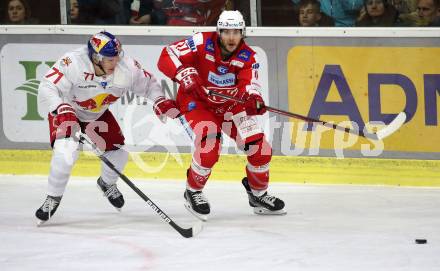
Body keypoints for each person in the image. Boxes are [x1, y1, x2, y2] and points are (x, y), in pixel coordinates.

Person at [35, 31, 179, 224]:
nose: (116, 62)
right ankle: (53, 197)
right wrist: (61, 107)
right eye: (110, 60)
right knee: (66, 152)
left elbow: (149, 84)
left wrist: (159, 100)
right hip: (68, 113)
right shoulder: (73, 63)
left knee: (119, 154)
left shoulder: (126, 67)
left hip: (97, 115)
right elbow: (47, 87)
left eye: (117, 57)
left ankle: (106, 183)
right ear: (96, 57)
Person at [157, 10, 286, 221]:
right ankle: (193, 191)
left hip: (231, 108)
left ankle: (258, 195)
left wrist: (253, 99)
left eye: (236, 32)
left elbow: (250, 84)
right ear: (219, 32)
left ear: (243, 33)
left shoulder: (248, 56)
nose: (231, 37)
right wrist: (184, 74)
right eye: (227, 31)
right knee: (209, 149)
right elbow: (167, 54)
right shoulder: (201, 41)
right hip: (198, 104)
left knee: (260, 149)